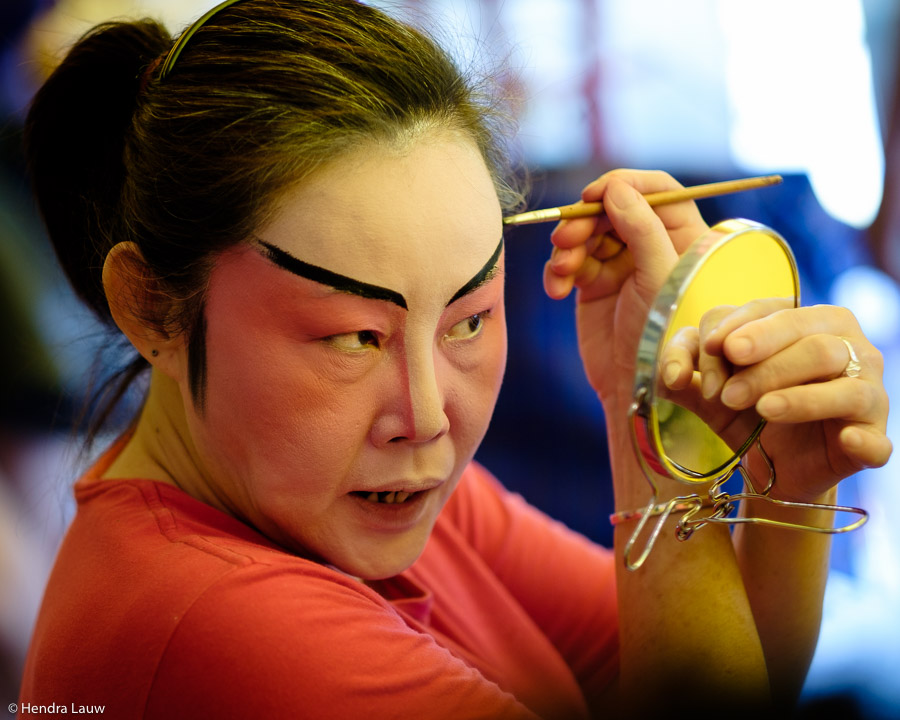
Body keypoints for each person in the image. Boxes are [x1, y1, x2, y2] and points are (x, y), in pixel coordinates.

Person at [17, 0, 892, 717]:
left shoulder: (374, 497)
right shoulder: (216, 624)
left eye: (469, 319)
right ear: (152, 307)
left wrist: (781, 474)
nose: (430, 414)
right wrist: (667, 456)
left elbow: (701, 666)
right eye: (354, 337)